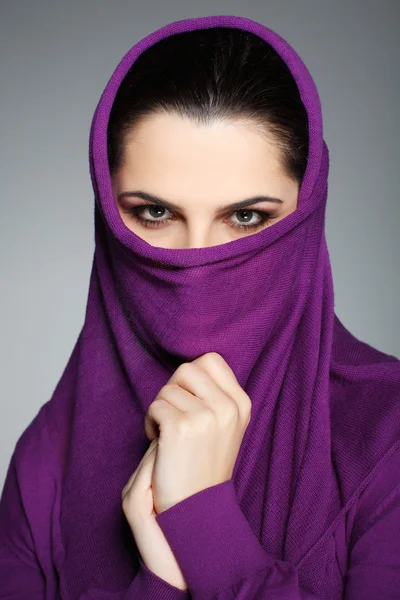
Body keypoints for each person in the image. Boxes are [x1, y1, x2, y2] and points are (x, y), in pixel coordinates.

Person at [1, 14, 399, 600]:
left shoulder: (387, 439)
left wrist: (202, 522)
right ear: (110, 216)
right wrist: (160, 581)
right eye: (155, 214)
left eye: (246, 217)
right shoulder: (45, 462)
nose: (198, 263)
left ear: (307, 213)